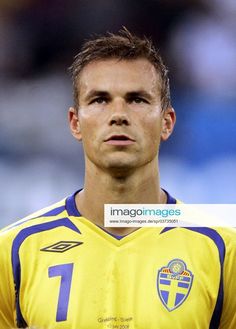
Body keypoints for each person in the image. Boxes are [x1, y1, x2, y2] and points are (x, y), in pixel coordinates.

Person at [0, 28, 235, 329]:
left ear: (167, 123)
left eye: (136, 100)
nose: (119, 115)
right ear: (75, 123)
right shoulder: (16, 251)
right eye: (100, 100)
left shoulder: (222, 250)